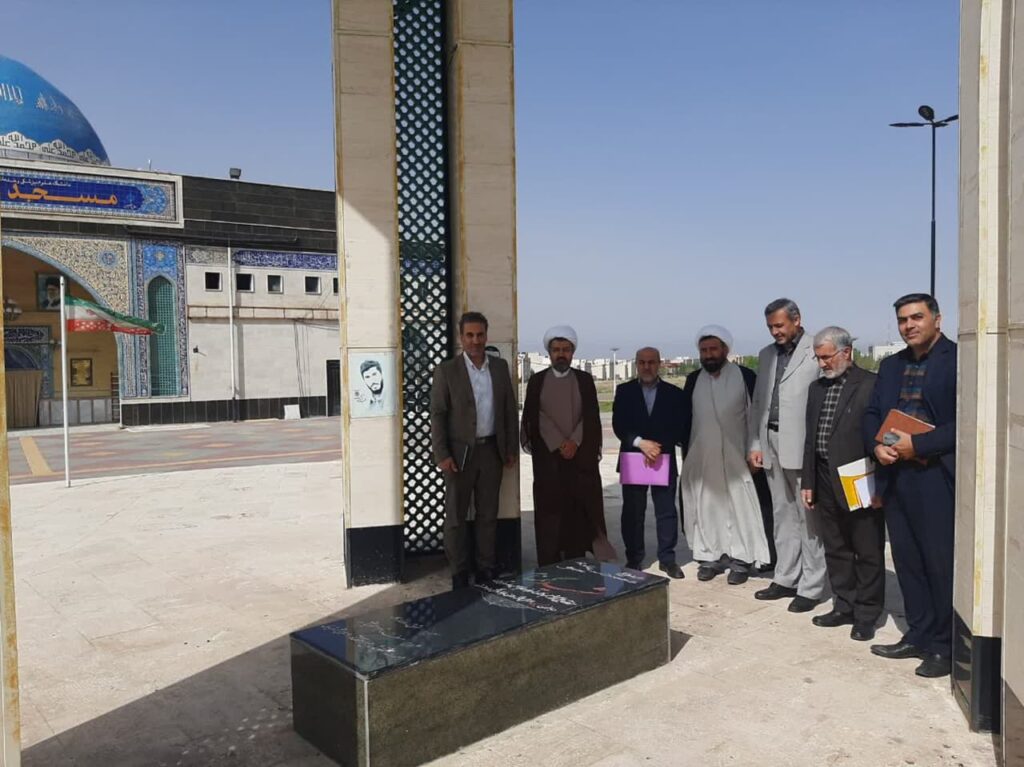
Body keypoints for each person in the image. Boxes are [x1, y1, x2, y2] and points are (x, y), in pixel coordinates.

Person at [863, 294, 956, 678]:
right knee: (907, 561)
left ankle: (943, 646)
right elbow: (873, 413)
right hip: (896, 474)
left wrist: (918, 445)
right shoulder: (891, 365)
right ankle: (917, 634)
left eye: (917, 317)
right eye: (903, 320)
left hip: (935, 476)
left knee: (939, 564)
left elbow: (968, 421)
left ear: (937, 319)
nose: (909, 326)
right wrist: (876, 447)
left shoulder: (959, 359)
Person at [800, 326, 885, 641]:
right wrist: (809, 480)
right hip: (824, 476)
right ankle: (844, 605)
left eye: (827, 357)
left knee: (867, 548)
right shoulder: (816, 389)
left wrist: (881, 486)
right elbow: (811, 438)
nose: (822, 363)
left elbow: (881, 435)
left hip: (860, 477)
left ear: (846, 352)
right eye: (818, 358)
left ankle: (866, 613)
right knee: (835, 547)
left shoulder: (871, 384)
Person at [748, 298, 827, 612]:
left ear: (797, 319)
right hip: (770, 441)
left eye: (779, 325)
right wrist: (755, 443)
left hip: (803, 445)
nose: (775, 332)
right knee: (782, 514)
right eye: (770, 327)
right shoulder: (766, 355)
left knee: (809, 518)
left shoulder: (816, 349)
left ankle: (811, 585)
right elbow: (758, 402)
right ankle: (785, 577)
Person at [430, 311, 518, 589]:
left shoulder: (500, 368)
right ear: (461, 338)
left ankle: (485, 568)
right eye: (469, 335)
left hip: (492, 451)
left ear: (486, 336)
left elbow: (509, 410)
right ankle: (458, 571)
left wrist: (510, 448)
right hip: (459, 455)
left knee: (488, 514)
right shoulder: (447, 371)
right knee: (456, 516)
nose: (475, 340)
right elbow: (438, 414)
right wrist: (442, 454)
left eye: (480, 335)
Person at [680, 326, 771, 584]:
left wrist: (756, 449)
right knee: (707, 508)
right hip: (703, 458)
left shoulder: (744, 376)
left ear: (725, 350)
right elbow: (686, 419)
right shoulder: (693, 379)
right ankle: (710, 557)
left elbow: (757, 415)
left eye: (713, 349)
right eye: (704, 350)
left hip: (738, 457)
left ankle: (741, 561)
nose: (708, 355)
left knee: (740, 509)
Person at [520, 326, 608, 566]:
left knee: (577, 511)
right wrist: (559, 442)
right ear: (549, 353)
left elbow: (590, 416)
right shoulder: (537, 381)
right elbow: (534, 416)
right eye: (556, 350)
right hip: (549, 461)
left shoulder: (584, 380)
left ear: (573, 352)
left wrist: (575, 441)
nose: (561, 354)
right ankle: (549, 563)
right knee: (549, 512)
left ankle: (576, 560)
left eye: (566, 350)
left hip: (579, 460)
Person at [613, 347, 686, 578]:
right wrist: (640, 443)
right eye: (642, 362)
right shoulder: (624, 391)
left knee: (666, 511)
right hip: (634, 456)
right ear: (636, 364)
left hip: (662, 457)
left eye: (651, 362)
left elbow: (679, 426)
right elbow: (619, 424)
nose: (647, 367)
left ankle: (667, 559)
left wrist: (656, 448)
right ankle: (634, 558)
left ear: (659, 364)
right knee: (633, 512)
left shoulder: (674, 393)